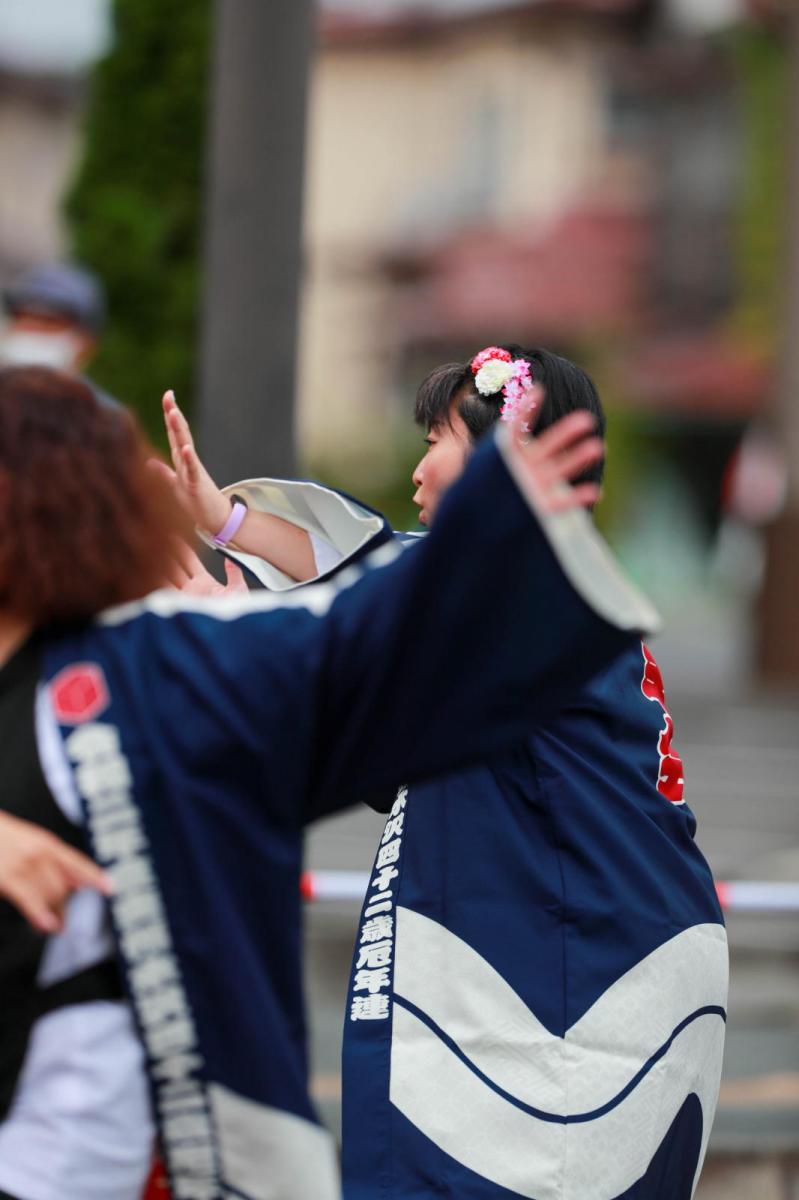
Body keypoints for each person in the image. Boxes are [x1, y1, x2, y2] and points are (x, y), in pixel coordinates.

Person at [0, 364, 651, 1200]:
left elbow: (355, 631)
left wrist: (504, 530)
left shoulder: (158, 667)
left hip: (101, 1142)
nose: (420, 468)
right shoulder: (163, 662)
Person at [159, 345, 728, 1200]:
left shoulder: (526, 583)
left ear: (507, 454)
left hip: (574, 972)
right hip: (549, 929)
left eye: (439, 440)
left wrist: (229, 613)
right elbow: (383, 574)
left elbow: (372, 609)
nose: (419, 470)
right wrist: (224, 525)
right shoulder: (524, 584)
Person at [0, 264, 105, 376]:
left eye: (48, 321)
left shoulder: (88, 394)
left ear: (86, 346)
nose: (31, 329)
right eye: (22, 317)